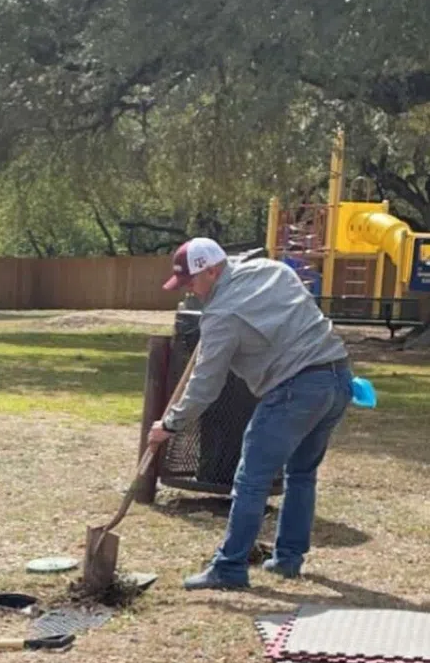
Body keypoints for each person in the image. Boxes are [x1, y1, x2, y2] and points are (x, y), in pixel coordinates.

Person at [148, 238, 353, 591]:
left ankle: (229, 567)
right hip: (337, 378)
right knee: (301, 473)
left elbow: (205, 388)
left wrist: (170, 425)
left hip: (294, 389)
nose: (191, 292)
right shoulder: (272, 270)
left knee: (250, 479)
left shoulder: (221, 315)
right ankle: (288, 559)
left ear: (212, 271)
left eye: (193, 282)